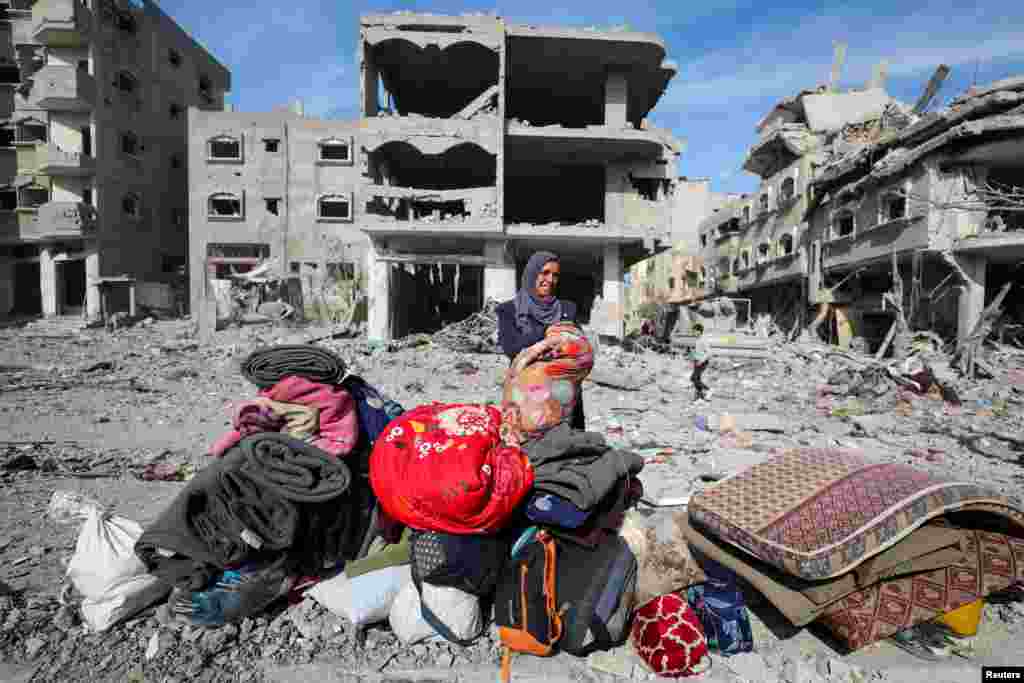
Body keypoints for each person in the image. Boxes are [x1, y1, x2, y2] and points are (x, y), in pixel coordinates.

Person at [496, 251, 585, 430]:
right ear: (531, 273)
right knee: (528, 443)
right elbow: (512, 348)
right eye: (544, 273)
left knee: (566, 446)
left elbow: (579, 347)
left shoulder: (568, 308)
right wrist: (548, 332)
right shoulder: (508, 310)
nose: (550, 279)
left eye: (555, 275)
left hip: (563, 391)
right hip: (526, 391)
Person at [689, 322, 712, 402]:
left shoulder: (703, 340)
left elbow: (709, 353)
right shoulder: (697, 340)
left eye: (695, 331)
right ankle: (699, 395)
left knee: (693, 378)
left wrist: (701, 361)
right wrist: (692, 356)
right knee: (697, 378)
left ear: (699, 331)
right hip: (697, 361)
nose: (693, 333)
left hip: (702, 362)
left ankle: (708, 390)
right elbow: (698, 352)